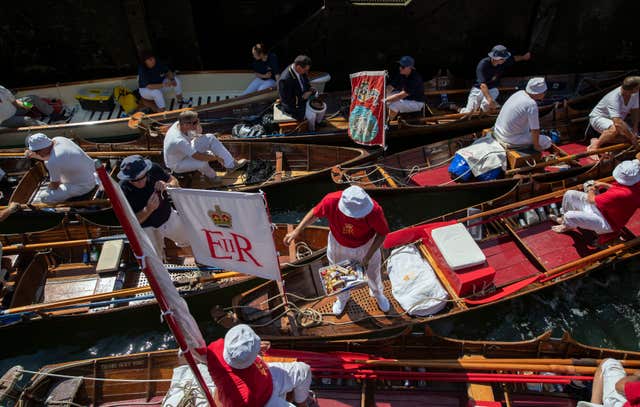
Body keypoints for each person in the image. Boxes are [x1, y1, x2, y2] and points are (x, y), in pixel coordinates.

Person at [284, 185, 391, 316]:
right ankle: (342, 298)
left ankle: (377, 293)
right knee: (336, 273)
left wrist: (368, 257)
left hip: (366, 245)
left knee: (373, 271)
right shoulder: (331, 200)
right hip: (338, 244)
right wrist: (297, 231)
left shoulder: (375, 210)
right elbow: (315, 213)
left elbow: (382, 234)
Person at [206, 324, 315, 407]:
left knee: (303, 370)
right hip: (265, 401)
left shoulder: (214, 349)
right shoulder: (241, 397)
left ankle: (302, 403)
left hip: (266, 378)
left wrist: (254, 350)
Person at [118, 155, 190, 257]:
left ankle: (201, 264)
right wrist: (148, 209)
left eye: (142, 177)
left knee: (187, 241)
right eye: (133, 180)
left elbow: (174, 182)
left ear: (147, 171)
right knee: (154, 258)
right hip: (146, 227)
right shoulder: (123, 189)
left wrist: (166, 185)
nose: (139, 182)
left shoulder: (154, 169)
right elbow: (131, 221)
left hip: (167, 216)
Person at [550, 159, 640, 234]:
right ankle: (565, 220)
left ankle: (567, 226)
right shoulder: (634, 186)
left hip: (607, 222)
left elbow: (592, 200)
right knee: (569, 194)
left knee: (570, 215)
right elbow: (623, 191)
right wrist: (603, 184)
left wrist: (590, 188)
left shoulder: (619, 194)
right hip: (605, 211)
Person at [163, 110, 247, 184]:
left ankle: (231, 165)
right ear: (185, 124)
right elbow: (198, 156)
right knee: (202, 163)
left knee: (210, 137)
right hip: (178, 163)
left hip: (185, 150)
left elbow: (198, 132)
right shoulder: (178, 140)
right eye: (195, 122)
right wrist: (216, 158)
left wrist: (197, 124)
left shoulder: (179, 123)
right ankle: (212, 177)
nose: (197, 123)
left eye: (197, 121)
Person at [25, 133, 97, 203]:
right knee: (47, 162)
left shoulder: (53, 161)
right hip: (93, 174)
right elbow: (54, 157)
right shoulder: (59, 139)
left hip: (84, 186)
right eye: (34, 151)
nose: (36, 153)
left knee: (44, 197)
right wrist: (34, 155)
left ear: (44, 148)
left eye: (36, 151)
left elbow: (55, 185)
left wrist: (48, 189)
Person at [459, 45, 531, 114]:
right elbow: (482, 85)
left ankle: (485, 109)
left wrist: (523, 57)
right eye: (502, 58)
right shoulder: (483, 65)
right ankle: (458, 108)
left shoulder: (502, 62)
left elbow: (514, 59)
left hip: (491, 89)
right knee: (469, 112)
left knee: (491, 97)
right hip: (478, 89)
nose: (504, 60)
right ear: (494, 58)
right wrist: (490, 100)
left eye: (505, 58)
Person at [493, 77, 552, 151]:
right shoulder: (531, 104)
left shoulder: (519, 93)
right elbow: (535, 130)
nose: (545, 94)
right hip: (509, 138)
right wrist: (537, 146)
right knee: (547, 141)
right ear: (539, 93)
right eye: (544, 92)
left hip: (498, 131)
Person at [587, 76, 640, 152]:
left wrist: (635, 129)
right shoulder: (614, 98)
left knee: (631, 137)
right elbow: (617, 123)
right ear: (634, 88)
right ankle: (594, 147)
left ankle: (597, 140)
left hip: (617, 121)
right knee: (615, 129)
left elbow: (635, 110)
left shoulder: (635, 94)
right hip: (598, 118)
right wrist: (632, 138)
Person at [277, 55, 325, 131]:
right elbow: (287, 100)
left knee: (323, 108)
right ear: (299, 67)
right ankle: (311, 130)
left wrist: (309, 88)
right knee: (312, 116)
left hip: (304, 98)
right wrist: (302, 97)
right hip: (294, 106)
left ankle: (317, 123)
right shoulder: (285, 80)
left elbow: (305, 82)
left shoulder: (299, 70)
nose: (307, 72)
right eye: (305, 70)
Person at [385, 55, 425, 121]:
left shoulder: (415, 78)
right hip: (405, 98)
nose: (400, 68)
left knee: (394, 105)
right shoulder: (401, 74)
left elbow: (401, 96)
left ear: (410, 68)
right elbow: (391, 87)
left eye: (403, 67)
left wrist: (385, 100)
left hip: (416, 102)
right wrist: (382, 94)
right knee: (387, 97)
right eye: (400, 66)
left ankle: (387, 125)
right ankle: (383, 119)